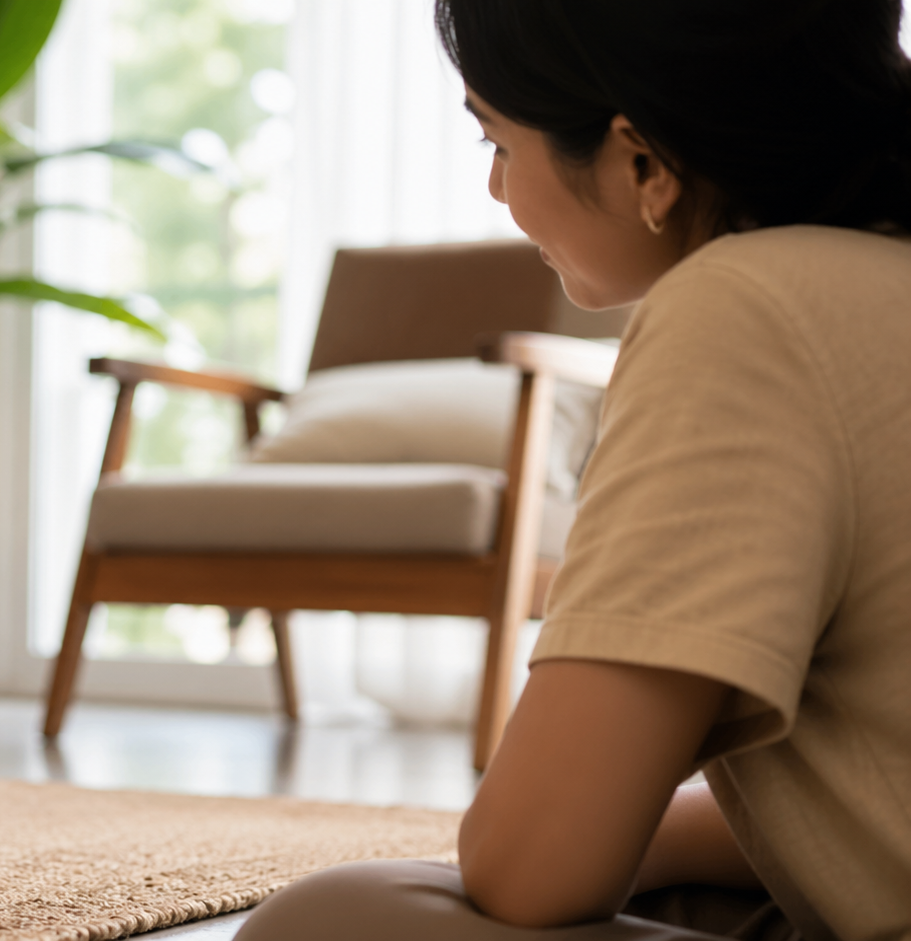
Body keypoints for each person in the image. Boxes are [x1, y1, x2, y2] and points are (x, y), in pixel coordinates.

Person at [234, 2, 911, 939]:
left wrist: (558, 837)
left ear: (641, 160)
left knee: (328, 921)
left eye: (500, 142)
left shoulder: (749, 307)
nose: (496, 188)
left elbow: (532, 872)